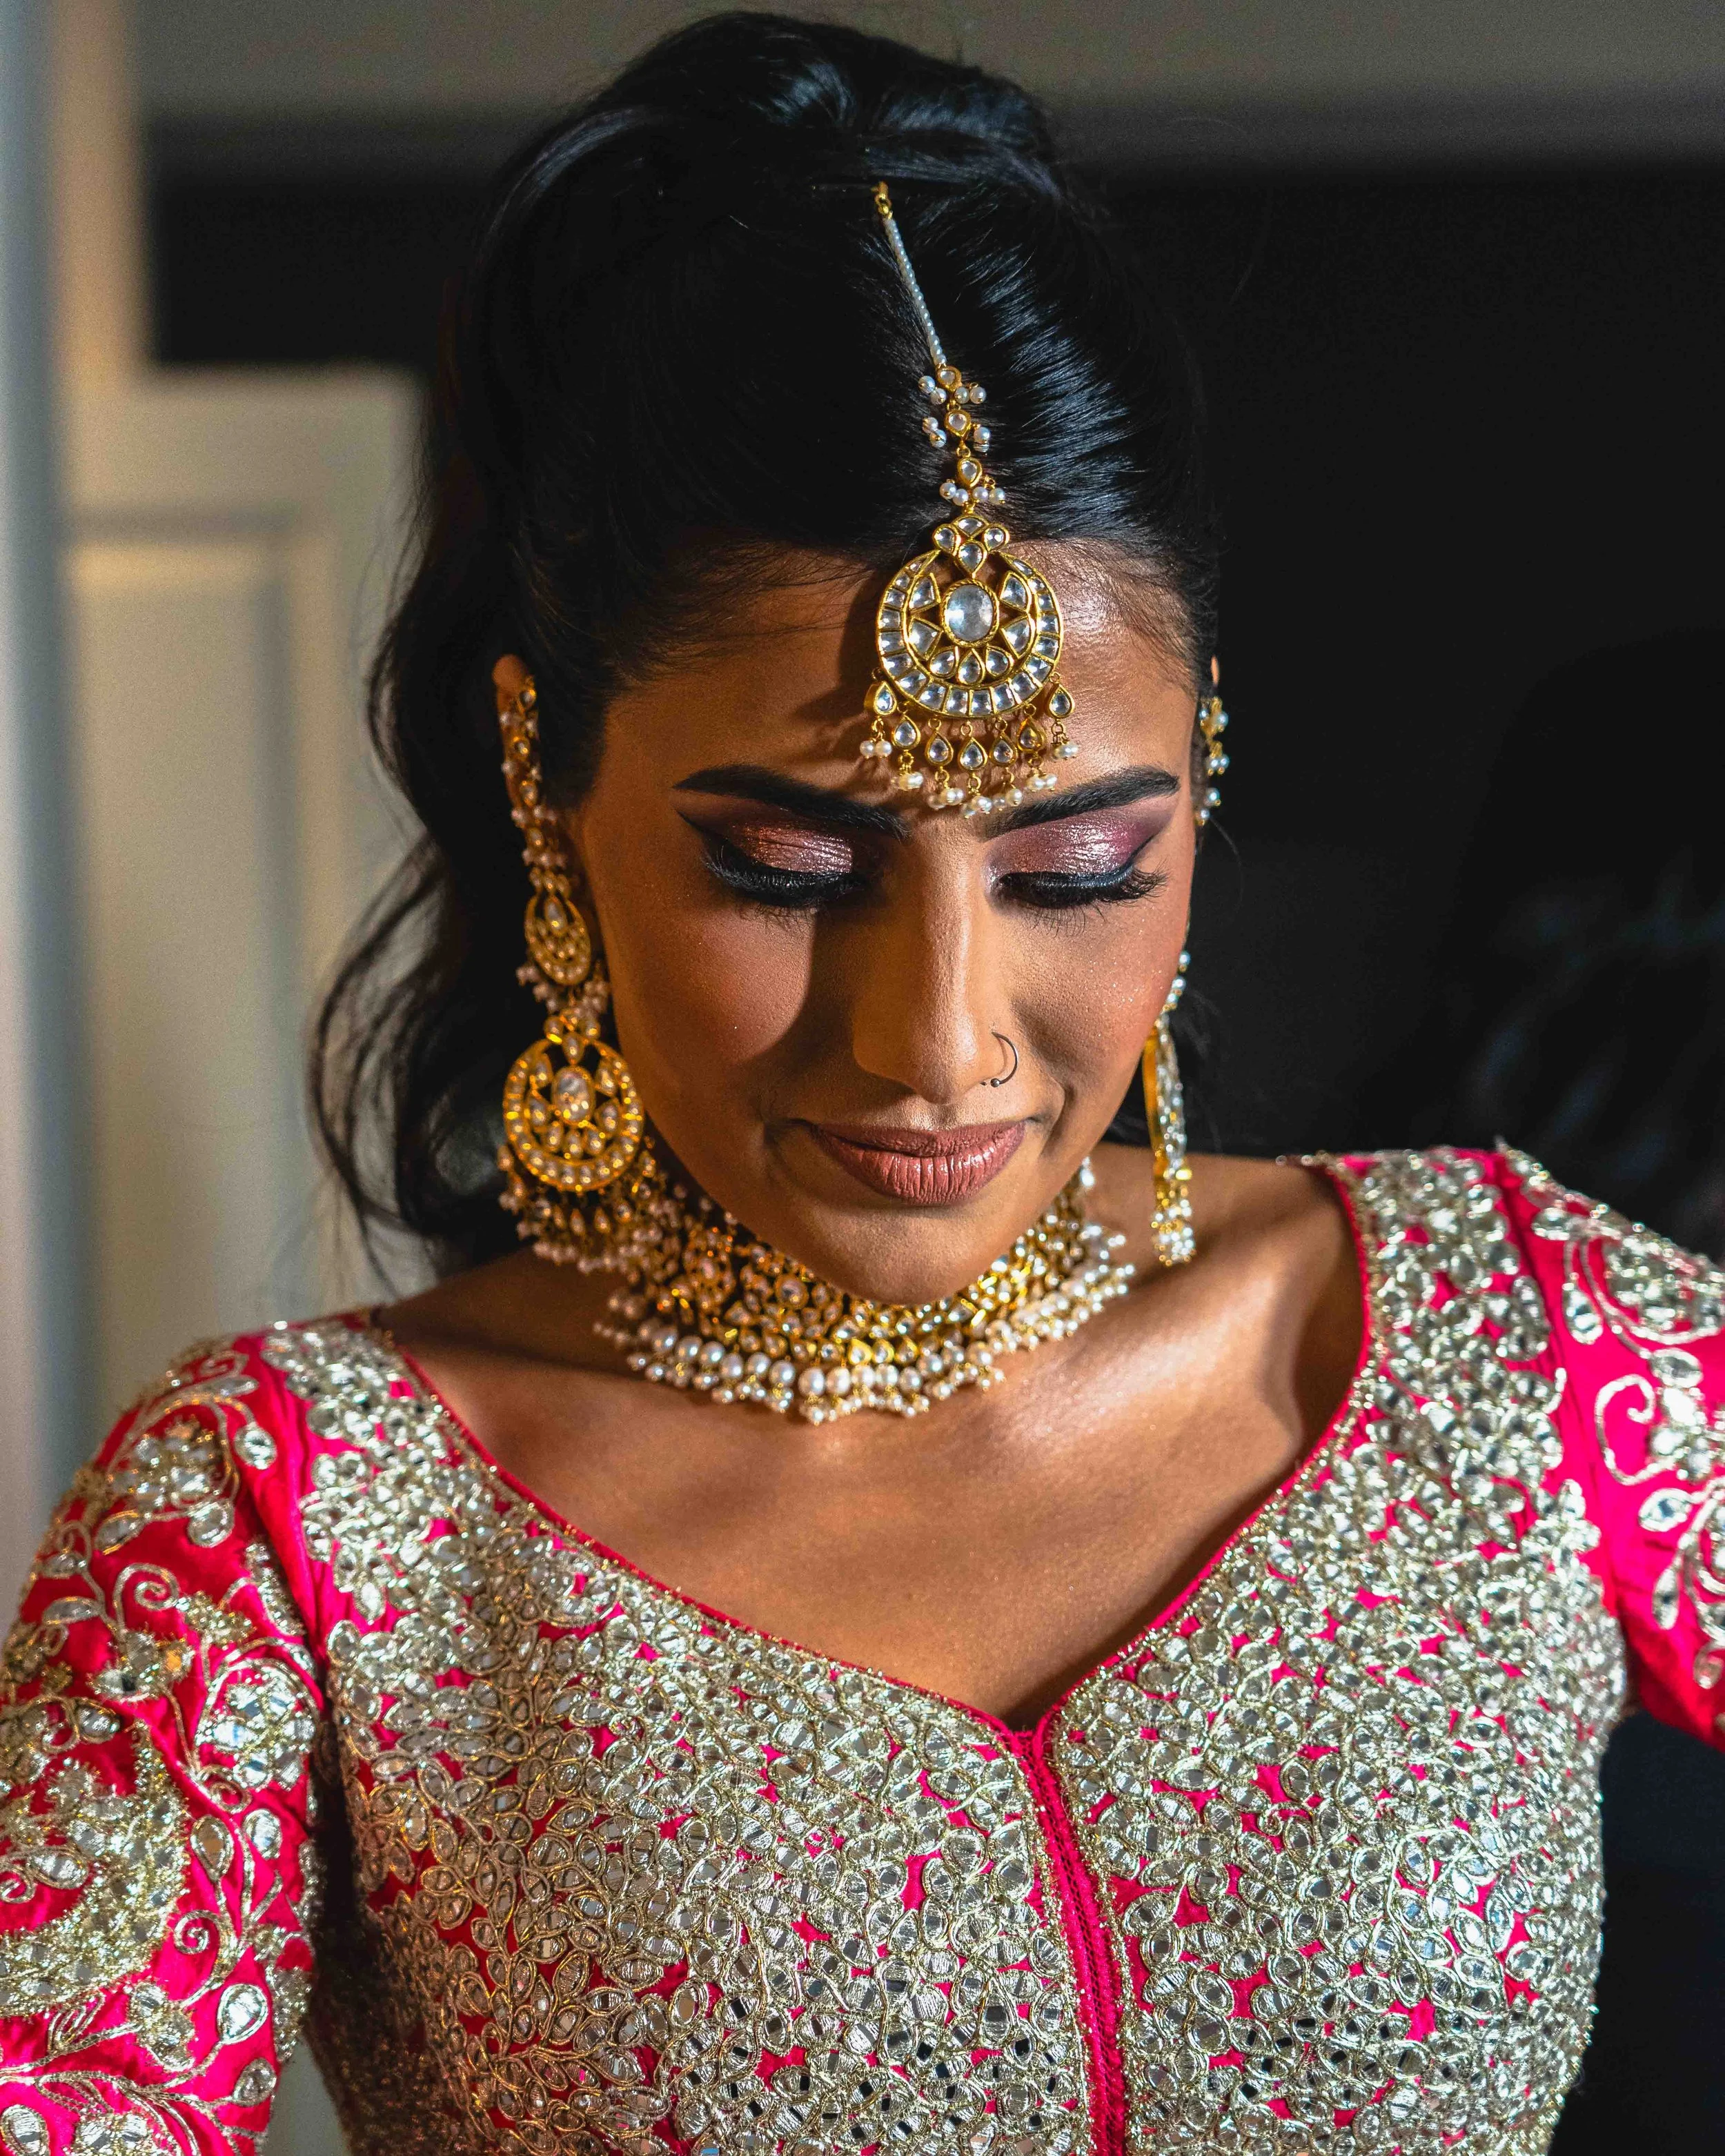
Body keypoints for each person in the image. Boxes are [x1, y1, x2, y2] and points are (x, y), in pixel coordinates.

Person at [1, 17, 1719, 2155]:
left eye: (1075, 866)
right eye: (790, 867)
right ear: (551, 784)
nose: (937, 1035)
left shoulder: (1522, 1346)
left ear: (1195, 779)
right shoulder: (296, 1525)